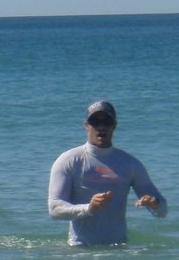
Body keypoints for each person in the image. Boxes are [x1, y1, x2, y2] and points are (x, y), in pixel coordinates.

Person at [48, 100, 167, 246]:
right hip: (79, 252)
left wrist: (154, 204)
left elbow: (163, 211)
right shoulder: (69, 160)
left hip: (118, 252)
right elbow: (54, 209)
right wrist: (89, 208)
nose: (101, 127)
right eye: (95, 122)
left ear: (114, 125)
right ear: (86, 126)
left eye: (107, 121)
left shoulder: (130, 164)